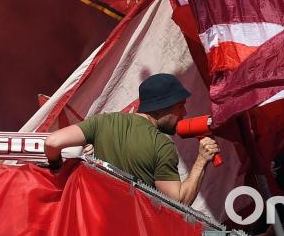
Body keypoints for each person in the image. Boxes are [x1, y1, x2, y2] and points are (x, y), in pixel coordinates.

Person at [43, 73, 219, 206]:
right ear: (160, 109)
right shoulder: (161, 145)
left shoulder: (103, 121)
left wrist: (58, 170)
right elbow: (179, 200)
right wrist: (201, 161)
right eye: (179, 107)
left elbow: (52, 142)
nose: (184, 114)